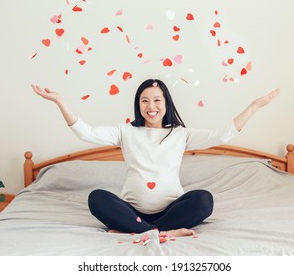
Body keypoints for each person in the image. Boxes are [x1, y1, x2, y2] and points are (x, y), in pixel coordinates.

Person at [31, 79, 280, 238]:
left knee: (204, 200)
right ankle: (160, 232)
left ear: (166, 103)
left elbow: (222, 135)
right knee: (97, 198)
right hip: (131, 210)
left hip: (171, 210)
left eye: (157, 100)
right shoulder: (126, 131)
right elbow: (85, 132)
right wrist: (59, 101)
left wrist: (254, 106)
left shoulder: (180, 134)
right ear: (138, 104)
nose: (151, 106)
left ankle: (140, 231)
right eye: (145, 100)